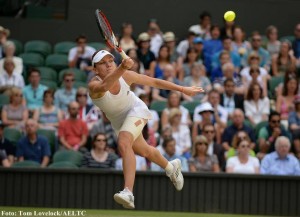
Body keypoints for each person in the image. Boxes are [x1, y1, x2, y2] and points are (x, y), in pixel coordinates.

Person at [88, 49, 204, 209]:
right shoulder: (94, 86)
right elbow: (104, 85)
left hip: (136, 111)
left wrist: (183, 89)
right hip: (119, 121)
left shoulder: (126, 76)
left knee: (123, 142)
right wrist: (122, 67)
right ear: (95, 69)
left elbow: (154, 82)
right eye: (102, 63)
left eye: (110, 61)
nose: (108, 65)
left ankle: (128, 191)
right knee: (145, 151)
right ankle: (171, 167)